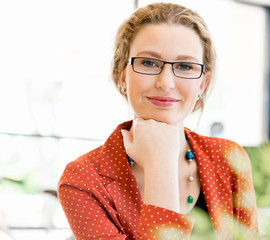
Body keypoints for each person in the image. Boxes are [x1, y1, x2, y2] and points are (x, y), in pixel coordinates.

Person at [58, 3, 259, 239]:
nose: (166, 83)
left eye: (185, 66)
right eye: (149, 63)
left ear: (202, 84)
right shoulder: (82, 179)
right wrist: (159, 166)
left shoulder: (228, 158)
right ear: (123, 76)